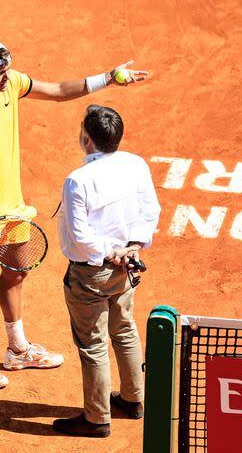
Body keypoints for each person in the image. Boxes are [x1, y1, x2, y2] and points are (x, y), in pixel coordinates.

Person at [0, 40, 150, 389]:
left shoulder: (12, 83)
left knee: (16, 274)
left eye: (6, 71)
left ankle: (17, 349)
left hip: (12, 206)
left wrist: (107, 78)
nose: (5, 77)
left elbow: (59, 91)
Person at [52, 105, 160, 437]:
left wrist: (109, 253)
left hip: (92, 274)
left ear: (86, 138)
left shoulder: (78, 181)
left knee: (93, 344)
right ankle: (133, 399)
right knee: (125, 329)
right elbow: (150, 211)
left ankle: (97, 418)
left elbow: (83, 238)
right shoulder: (135, 164)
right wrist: (133, 247)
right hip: (126, 267)